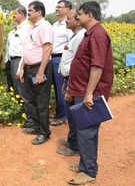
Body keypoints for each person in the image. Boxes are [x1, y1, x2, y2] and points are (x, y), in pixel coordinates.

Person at [66, 1, 114, 185]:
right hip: (82, 89)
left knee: (87, 132)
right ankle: (85, 165)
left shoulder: (98, 35)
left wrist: (89, 93)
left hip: (90, 93)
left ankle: (88, 172)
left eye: (79, 14)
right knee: (84, 130)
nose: (77, 17)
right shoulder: (91, 34)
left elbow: (97, 66)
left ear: (90, 15)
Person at [17, 0, 54, 145]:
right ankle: (37, 127)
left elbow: (47, 49)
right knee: (31, 99)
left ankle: (45, 132)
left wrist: (40, 72)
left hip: (40, 67)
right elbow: (27, 50)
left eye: (31, 10)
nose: (29, 13)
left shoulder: (45, 27)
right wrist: (21, 68)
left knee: (41, 101)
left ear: (39, 12)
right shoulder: (31, 28)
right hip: (29, 68)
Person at [55, 8, 86, 157]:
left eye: (69, 18)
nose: (66, 20)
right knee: (71, 114)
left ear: (77, 21)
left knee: (74, 116)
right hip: (69, 79)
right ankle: (72, 141)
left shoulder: (80, 37)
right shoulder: (75, 36)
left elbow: (76, 64)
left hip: (74, 82)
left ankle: (74, 146)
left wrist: (70, 88)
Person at [5, 6, 32, 127]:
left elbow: (26, 50)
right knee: (17, 90)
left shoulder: (27, 29)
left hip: (21, 61)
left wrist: (21, 66)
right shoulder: (15, 30)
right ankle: (23, 115)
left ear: (22, 14)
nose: (13, 16)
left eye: (15, 14)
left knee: (24, 91)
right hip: (12, 61)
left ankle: (30, 119)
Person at [51, 0, 73, 126]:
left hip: (61, 58)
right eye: (56, 6)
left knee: (62, 89)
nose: (57, 9)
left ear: (67, 9)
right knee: (56, 88)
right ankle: (59, 112)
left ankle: (64, 116)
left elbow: (70, 44)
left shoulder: (68, 25)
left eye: (60, 7)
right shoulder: (54, 25)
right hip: (52, 58)